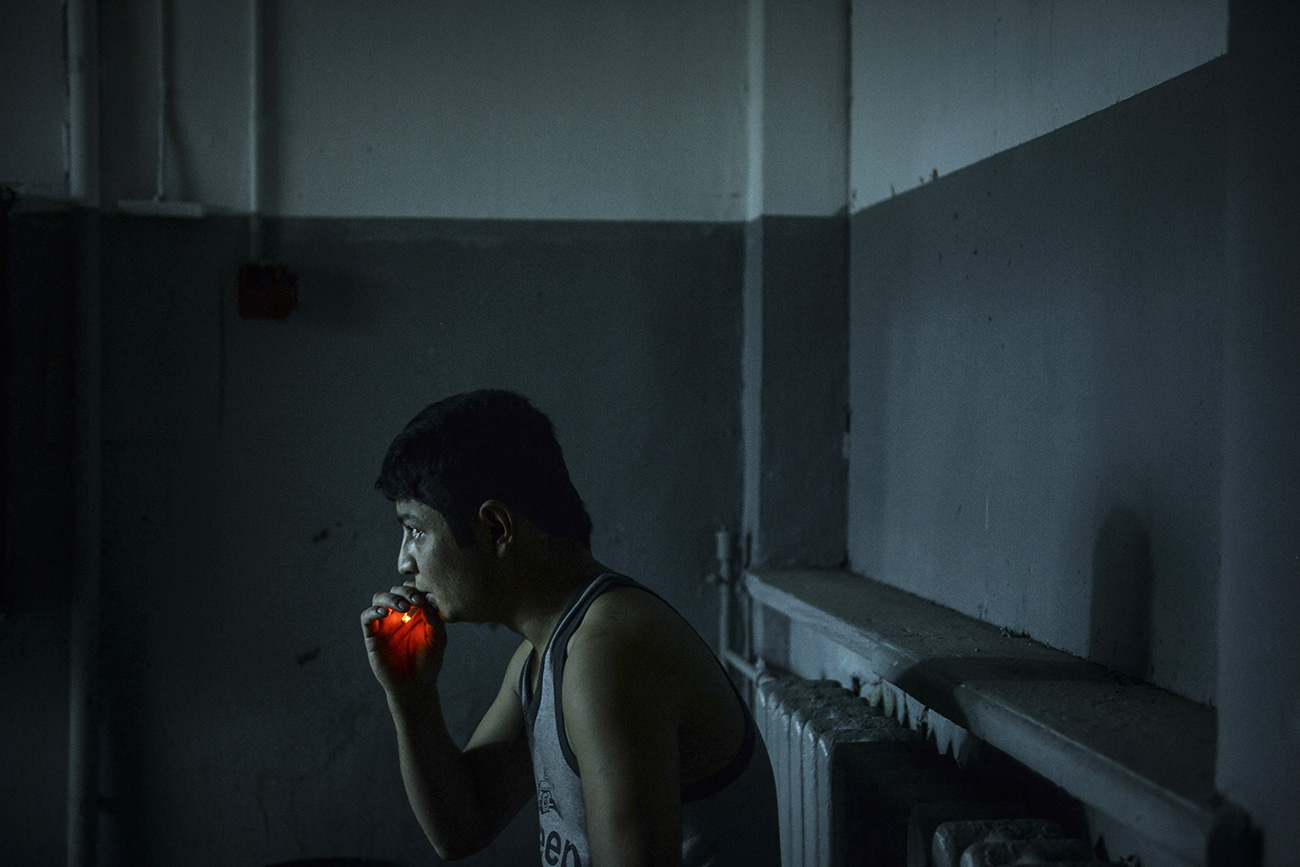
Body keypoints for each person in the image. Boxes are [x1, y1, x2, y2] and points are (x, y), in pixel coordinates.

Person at [361, 389, 780, 866]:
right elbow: (461, 829)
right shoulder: (545, 654)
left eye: (415, 530)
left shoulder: (607, 655)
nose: (403, 563)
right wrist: (411, 695)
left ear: (497, 529)